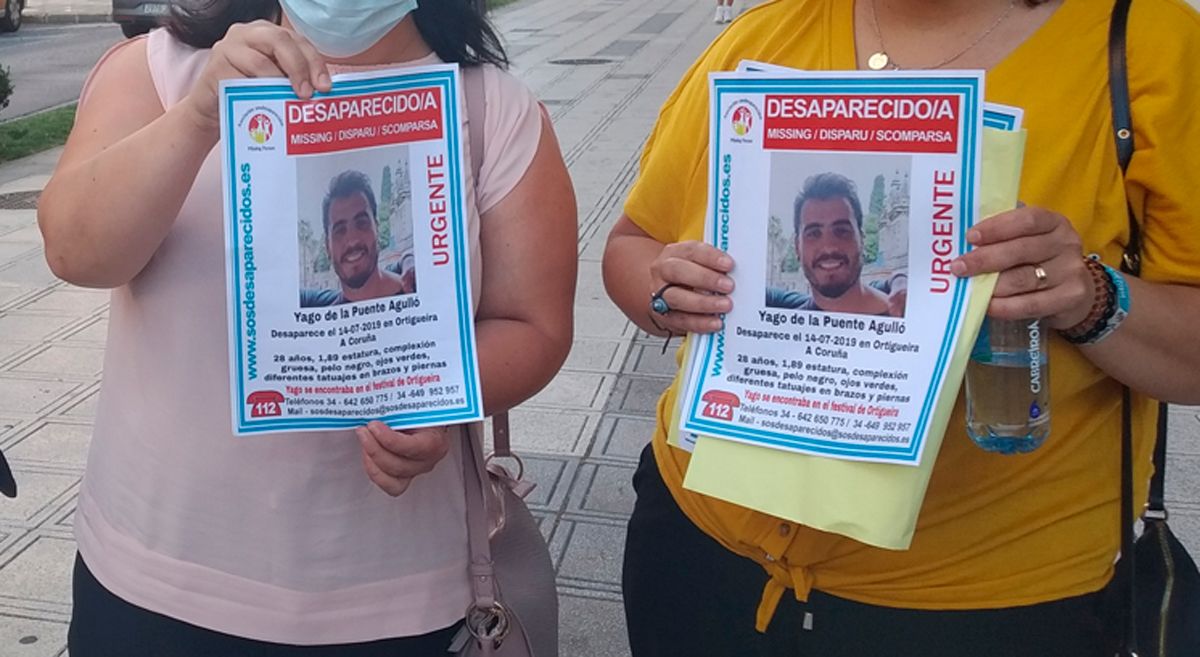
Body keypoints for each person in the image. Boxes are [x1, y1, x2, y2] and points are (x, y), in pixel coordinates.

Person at [603, 0, 1200, 655]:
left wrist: (1088, 297)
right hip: (698, 553)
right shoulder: (766, 34)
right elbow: (636, 242)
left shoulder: (1144, 43)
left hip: (984, 603)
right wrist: (667, 292)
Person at [37, 0, 577, 655]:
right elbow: (75, 249)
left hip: (396, 606)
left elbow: (534, 326)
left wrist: (441, 391)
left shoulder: (492, 110)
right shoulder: (159, 71)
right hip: (149, 585)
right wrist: (202, 116)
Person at [765, 172, 902, 316]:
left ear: (862, 239)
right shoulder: (782, 328)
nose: (829, 246)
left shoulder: (908, 322)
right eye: (813, 233)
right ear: (797, 247)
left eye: (842, 231)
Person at [300, 170, 415, 308]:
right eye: (340, 230)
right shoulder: (323, 321)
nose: (352, 240)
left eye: (361, 223)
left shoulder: (417, 292)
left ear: (376, 228)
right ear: (327, 247)